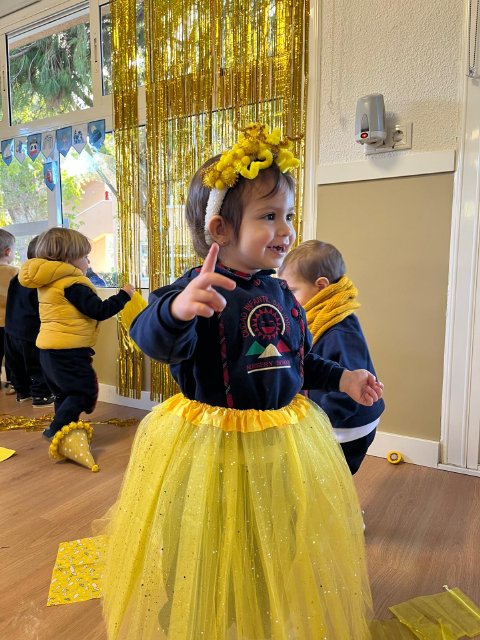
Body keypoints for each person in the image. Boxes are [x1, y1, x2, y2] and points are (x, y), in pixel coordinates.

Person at [99, 124, 383, 639]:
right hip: (211, 447)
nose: (286, 229)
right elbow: (152, 337)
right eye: (269, 216)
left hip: (280, 441)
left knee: (270, 535)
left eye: (289, 215)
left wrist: (343, 378)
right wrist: (178, 311)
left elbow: (298, 361)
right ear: (220, 229)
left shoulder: (283, 292)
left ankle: (257, 607)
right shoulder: (197, 288)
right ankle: (192, 617)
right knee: (201, 540)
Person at [279, 240, 385, 475]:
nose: (288, 299)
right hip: (339, 417)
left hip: (348, 423)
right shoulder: (319, 318)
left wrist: (319, 424)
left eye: (293, 291)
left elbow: (352, 386)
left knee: (329, 475)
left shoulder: (339, 330)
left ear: (321, 286)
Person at [19, 227, 134, 440]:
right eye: (84, 257)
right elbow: (99, 310)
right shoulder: (72, 284)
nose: (88, 262)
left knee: (63, 393)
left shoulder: (48, 282)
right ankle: (56, 429)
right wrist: (124, 296)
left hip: (49, 350)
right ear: (68, 259)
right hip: (69, 351)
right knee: (84, 391)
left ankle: (66, 432)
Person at [4, 236, 54, 406]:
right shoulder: (41, 281)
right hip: (31, 332)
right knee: (37, 365)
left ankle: (22, 392)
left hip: (11, 330)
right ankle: (41, 395)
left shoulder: (17, 277)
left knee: (16, 365)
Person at [0, 229, 19, 395]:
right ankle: (13, 383)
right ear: (8, 252)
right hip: (10, 322)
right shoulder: (15, 272)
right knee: (12, 355)